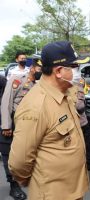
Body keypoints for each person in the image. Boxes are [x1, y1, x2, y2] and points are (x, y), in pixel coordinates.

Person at [8, 41, 90, 200]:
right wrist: (36, 182)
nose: (78, 72)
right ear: (59, 71)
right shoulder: (35, 106)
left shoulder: (65, 93)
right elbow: (19, 162)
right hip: (53, 194)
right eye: (74, 67)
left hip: (73, 190)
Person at [0, 58, 42, 200]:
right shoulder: (17, 80)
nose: (40, 72)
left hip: (29, 125)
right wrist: (6, 125)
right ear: (32, 68)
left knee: (27, 153)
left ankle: (26, 178)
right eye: (39, 69)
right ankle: (14, 185)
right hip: (13, 123)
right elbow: (6, 102)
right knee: (8, 154)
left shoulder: (39, 85)